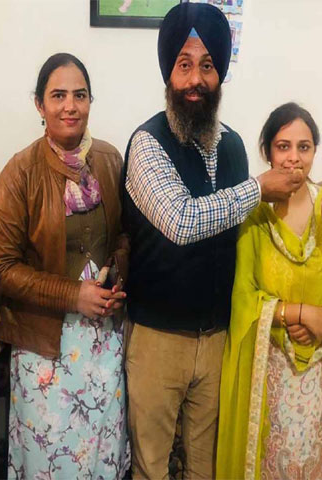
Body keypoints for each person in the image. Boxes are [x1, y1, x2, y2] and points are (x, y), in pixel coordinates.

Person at [121, 3, 304, 478]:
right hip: (158, 339)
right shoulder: (147, 143)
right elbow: (181, 221)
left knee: (207, 467)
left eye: (207, 66)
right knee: (151, 467)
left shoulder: (234, 145)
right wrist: (258, 188)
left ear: (220, 74)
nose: (195, 80)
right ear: (168, 73)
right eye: (184, 65)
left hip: (219, 337)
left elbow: (246, 231)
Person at [0, 53, 130, 479]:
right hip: (44, 348)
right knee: (51, 464)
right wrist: (73, 294)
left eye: (80, 95)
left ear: (90, 102)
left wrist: (115, 276)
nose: (70, 106)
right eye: (58, 95)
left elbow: (125, 236)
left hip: (103, 343)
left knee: (99, 458)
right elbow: (1, 267)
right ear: (39, 104)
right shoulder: (20, 172)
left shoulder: (109, 160)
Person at [216, 103, 322, 480]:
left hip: (321, 371)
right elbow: (242, 297)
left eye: (304, 147)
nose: (294, 157)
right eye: (283, 146)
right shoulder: (253, 213)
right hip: (269, 372)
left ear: (315, 151)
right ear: (267, 152)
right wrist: (298, 313)